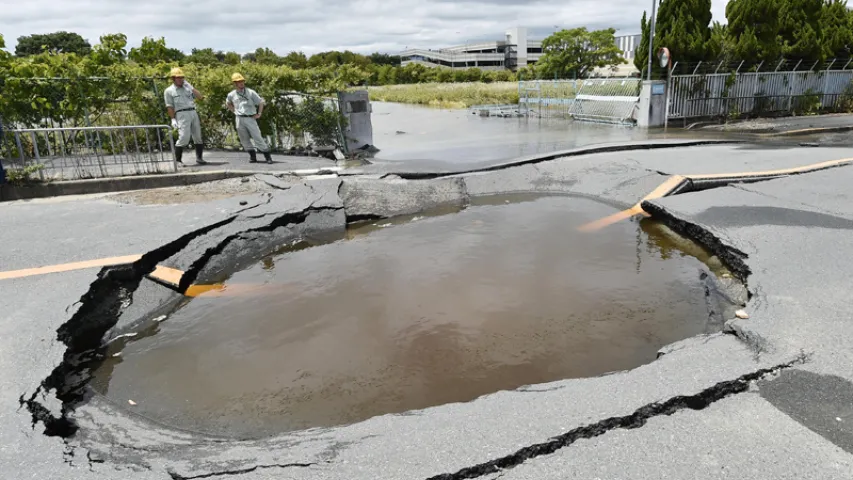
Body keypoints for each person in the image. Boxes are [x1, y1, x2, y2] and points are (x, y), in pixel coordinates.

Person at [226, 73, 273, 164]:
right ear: (235, 84)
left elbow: (260, 102)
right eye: (239, 82)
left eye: (242, 81)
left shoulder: (250, 92)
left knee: (257, 137)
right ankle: (253, 156)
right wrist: (234, 111)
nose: (241, 83)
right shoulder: (231, 94)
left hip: (250, 118)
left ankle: (268, 157)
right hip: (239, 119)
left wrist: (259, 113)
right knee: (244, 139)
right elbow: (228, 103)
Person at [164, 67, 206, 165]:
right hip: (181, 113)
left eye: (182, 77)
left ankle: (199, 158)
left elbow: (200, 97)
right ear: (173, 79)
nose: (181, 80)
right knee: (183, 137)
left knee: (198, 136)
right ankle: (178, 160)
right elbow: (169, 106)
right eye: (178, 78)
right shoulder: (169, 91)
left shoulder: (187, 88)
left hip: (193, 112)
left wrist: (191, 87)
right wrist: (173, 119)